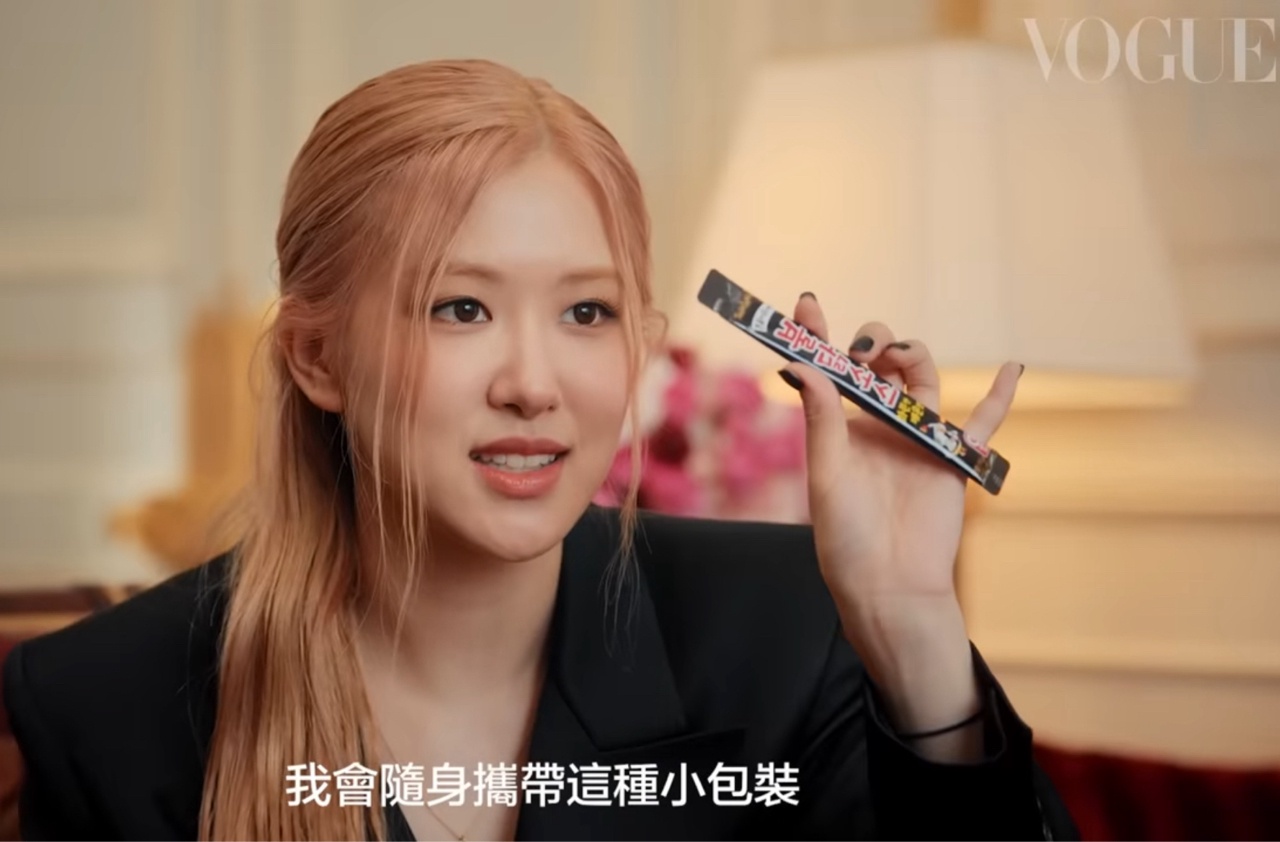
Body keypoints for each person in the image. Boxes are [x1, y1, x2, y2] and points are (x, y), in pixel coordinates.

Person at [2, 59, 1078, 841]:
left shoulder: (790, 629)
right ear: (317, 357)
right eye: (461, 307)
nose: (532, 382)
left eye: (586, 313)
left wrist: (911, 629)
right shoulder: (106, 705)